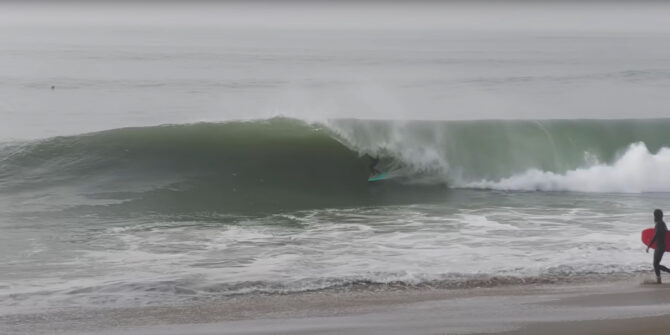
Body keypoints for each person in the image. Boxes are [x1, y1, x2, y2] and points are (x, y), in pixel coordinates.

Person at [647, 209, 670, 283]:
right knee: (656, 264)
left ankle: (659, 279)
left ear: (656, 215)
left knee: (655, 264)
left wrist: (649, 245)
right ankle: (659, 278)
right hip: (662, 246)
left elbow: (655, 235)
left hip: (659, 247)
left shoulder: (658, 224)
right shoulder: (662, 223)